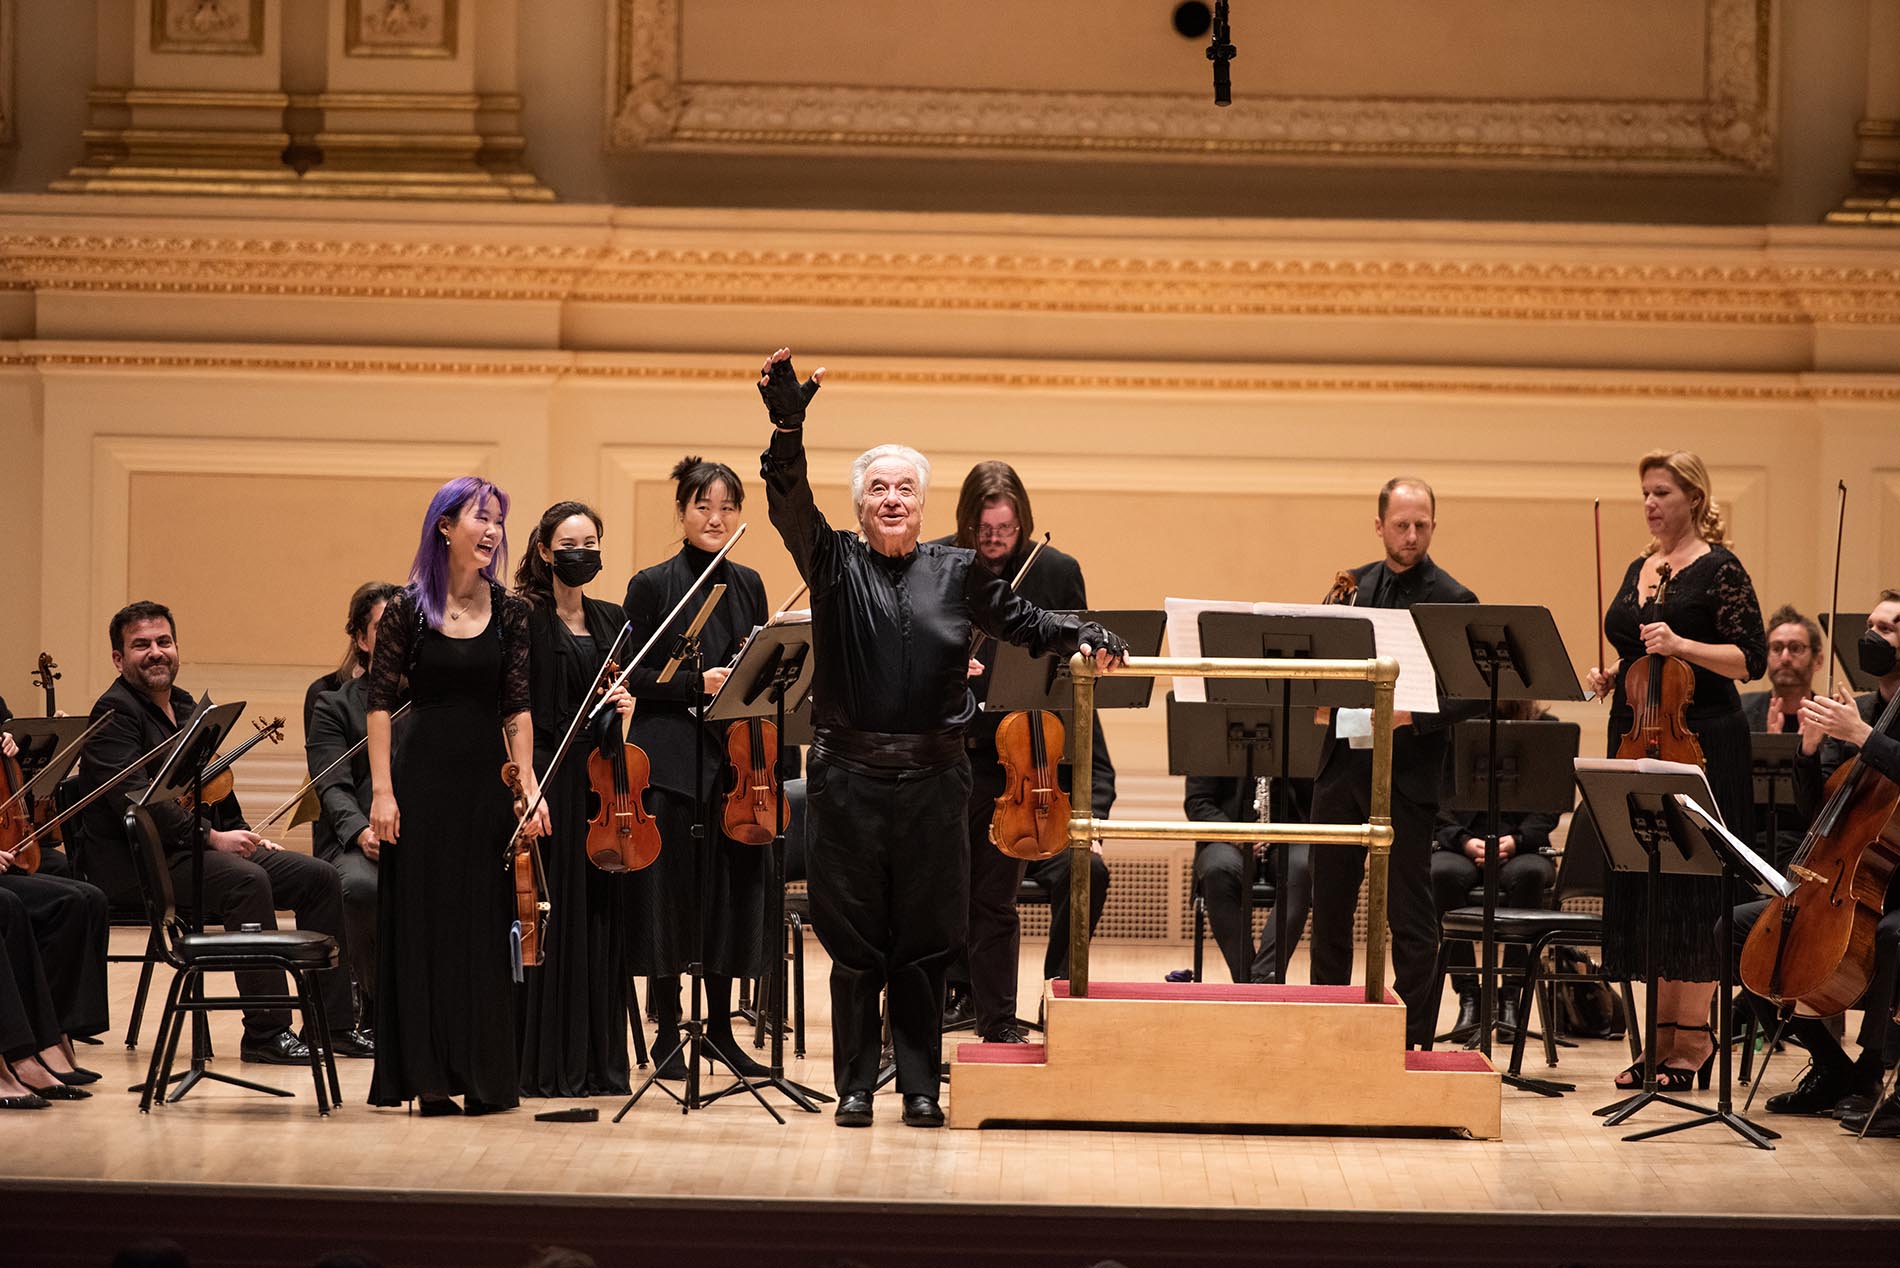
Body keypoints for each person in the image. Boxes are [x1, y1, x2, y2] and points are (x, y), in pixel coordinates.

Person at [756, 347, 1127, 1128]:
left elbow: (1024, 620)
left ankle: (921, 1084)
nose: (892, 500)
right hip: (848, 784)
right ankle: (857, 1084)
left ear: (924, 507)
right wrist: (787, 426)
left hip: (934, 784)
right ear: (860, 507)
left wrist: (1080, 631)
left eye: (905, 490)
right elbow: (788, 500)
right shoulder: (831, 563)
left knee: (926, 943)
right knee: (855, 947)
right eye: (878, 489)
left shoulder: (957, 572)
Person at [76, 600, 365, 1066]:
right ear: (118, 658)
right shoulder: (112, 717)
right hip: (140, 864)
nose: (156, 652)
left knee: (319, 877)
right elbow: (141, 803)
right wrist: (214, 838)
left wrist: (243, 833)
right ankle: (266, 1032)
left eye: (164, 642)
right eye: (141, 645)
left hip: (194, 848)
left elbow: (212, 787)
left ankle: (333, 1026)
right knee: (247, 882)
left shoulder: (188, 706)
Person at [365, 477, 547, 1116]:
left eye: (499, 519)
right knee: (426, 925)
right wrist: (382, 793)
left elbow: (517, 708)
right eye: (482, 517)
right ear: (445, 526)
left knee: (480, 925)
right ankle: (428, 1076)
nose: (494, 531)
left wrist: (527, 785)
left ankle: (483, 1073)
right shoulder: (405, 611)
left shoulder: (514, 612)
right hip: (420, 784)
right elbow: (381, 707)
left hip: (484, 788)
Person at [1585, 450, 1766, 1091]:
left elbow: (1751, 660)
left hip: (1703, 742)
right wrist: (1618, 674)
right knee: (1649, 879)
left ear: (1693, 496)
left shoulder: (1720, 568)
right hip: (1639, 734)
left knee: (1694, 885)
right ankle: (1657, 1038)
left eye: (1662, 492)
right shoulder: (1641, 567)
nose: (1651, 504)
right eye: (1645, 493)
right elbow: (1639, 646)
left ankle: (1694, 1039)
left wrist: (1680, 644)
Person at [937, 461, 1115, 1043]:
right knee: (937, 897)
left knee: (993, 901)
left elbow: (1074, 675)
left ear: (1024, 523)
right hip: (948, 751)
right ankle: (928, 1012)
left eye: (1006, 530)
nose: (994, 541)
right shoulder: (940, 562)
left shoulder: (1056, 571)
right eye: (983, 530)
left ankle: (999, 1022)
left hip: (1021, 760)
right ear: (965, 523)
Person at [1307, 477, 1478, 1047]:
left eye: (1421, 525)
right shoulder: (1350, 586)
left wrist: (1413, 717)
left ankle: (1414, 1039)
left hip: (1407, 773)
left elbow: (1472, 692)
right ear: (1379, 525)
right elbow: (1320, 659)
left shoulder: (1454, 600)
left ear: (1434, 524)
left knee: (1408, 914)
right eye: (1400, 524)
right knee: (1329, 905)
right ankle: (1329, 1023)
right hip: (1341, 767)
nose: (1411, 534)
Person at [621, 459, 772, 1079]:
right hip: (670, 759)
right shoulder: (653, 585)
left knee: (725, 897)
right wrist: (695, 683)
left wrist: (744, 670)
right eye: (704, 506)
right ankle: (667, 1028)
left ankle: (716, 1030)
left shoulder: (751, 583)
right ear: (682, 512)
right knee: (669, 897)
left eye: (728, 507)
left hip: (734, 765)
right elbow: (631, 675)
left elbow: (760, 667)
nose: (717, 518)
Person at [1731, 590, 1900, 1131]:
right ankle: (1832, 1069)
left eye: (1891, 628)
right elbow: (1820, 809)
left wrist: (1863, 738)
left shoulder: (1866, 721)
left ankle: (1873, 1073)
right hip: (1846, 877)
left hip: (1895, 882)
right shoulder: (1865, 708)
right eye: (1872, 624)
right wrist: (1807, 752)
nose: (1875, 635)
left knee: (1894, 937)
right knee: (1734, 930)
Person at [515, 500, 636, 1097]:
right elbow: (514, 710)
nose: (581, 553)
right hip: (548, 780)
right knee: (553, 919)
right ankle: (549, 1063)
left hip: (602, 783)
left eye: (591, 542)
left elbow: (616, 702)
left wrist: (625, 711)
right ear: (544, 551)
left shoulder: (613, 620)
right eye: (569, 543)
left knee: (599, 917)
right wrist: (527, 787)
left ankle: (597, 1063)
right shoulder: (525, 618)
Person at [1428, 701, 1561, 1044]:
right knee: (1440, 873)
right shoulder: (1453, 727)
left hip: (1523, 849)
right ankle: (1469, 996)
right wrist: (1463, 841)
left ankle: (1511, 998)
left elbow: (1550, 805)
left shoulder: (1546, 728)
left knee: (1530, 873)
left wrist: (1516, 842)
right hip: (1462, 846)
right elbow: (1436, 800)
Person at [306, 581, 403, 1037]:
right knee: (362, 888)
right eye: (385, 629)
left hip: (423, 837)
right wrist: (364, 832)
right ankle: (378, 1005)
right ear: (362, 640)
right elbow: (333, 787)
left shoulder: (430, 704)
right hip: (356, 843)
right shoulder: (334, 707)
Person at [1184, 774, 1311, 986]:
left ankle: (1264, 974)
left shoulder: (1303, 743)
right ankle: (1245, 977)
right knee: (1217, 869)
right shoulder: (1211, 743)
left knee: (1303, 867)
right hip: (1229, 838)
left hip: (1290, 836)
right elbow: (1197, 802)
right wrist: (1235, 833)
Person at [1742, 604, 1823, 862]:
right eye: (1776, 648)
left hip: (1810, 845)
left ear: (1818, 660)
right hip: (1750, 840)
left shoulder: (1832, 718)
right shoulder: (1742, 713)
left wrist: (1802, 754)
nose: (1785, 657)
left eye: (1796, 648)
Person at [305, 582, 402, 734]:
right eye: (382, 625)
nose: (394, 633)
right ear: (362, 639)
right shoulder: (328, 696)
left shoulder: (417, 694)